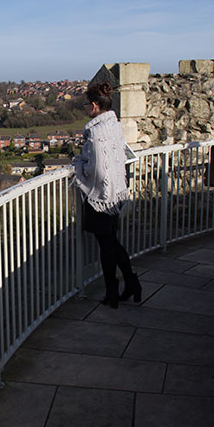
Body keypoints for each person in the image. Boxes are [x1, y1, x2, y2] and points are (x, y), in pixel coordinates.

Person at [73, 81, 142, 308]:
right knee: (111, 242)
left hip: (102, 196)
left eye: (86, 104)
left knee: (107, 245)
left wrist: (79, 165)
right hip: (117, 192)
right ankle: (129, 284)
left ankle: (114, 292)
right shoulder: (114, 124)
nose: (84, 108)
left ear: (94, 105)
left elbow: (96, 169)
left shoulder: (94, 130)